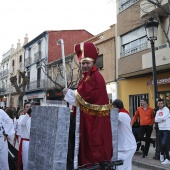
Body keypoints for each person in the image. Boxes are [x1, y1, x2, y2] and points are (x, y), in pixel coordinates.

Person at [63, 42, 113, 168]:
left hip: (94, 122)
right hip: (88, 119)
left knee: (92, 147)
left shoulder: (94, 77)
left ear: (93, 63)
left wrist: (69, 93)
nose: (84, 66)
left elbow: (85, 97)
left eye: (87, 63)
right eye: (82, 63)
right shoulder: (86, 77)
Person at [112, 99, 136, 170]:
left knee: (119, 167)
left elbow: (110, 119)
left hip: (126, 147)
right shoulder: (125, 114)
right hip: (129, 145)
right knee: (127, 167)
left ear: (115, 106)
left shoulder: (120, 115)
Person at [155, 98, 170, 165]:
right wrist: (161, 119)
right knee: (163, 144)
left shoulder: (166, 110)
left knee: (164, 143)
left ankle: (165, 156)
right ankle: (166, 158)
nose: (160, 104)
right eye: (159, 103)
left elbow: (164, 118)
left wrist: (159, 119)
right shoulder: (158, 111)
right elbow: (155, 120)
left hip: (166, 129)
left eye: (161, 103)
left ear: (163, 103)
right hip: (160, 129)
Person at [18, 102, 31, 170]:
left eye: (30, 107)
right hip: (26, 142)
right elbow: (22, 124)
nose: (29, 108)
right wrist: (27, 115)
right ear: (24, 108)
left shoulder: (33, 117)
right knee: (25, 161)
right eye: (27, 107)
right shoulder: (22, 117)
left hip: (33, 142)